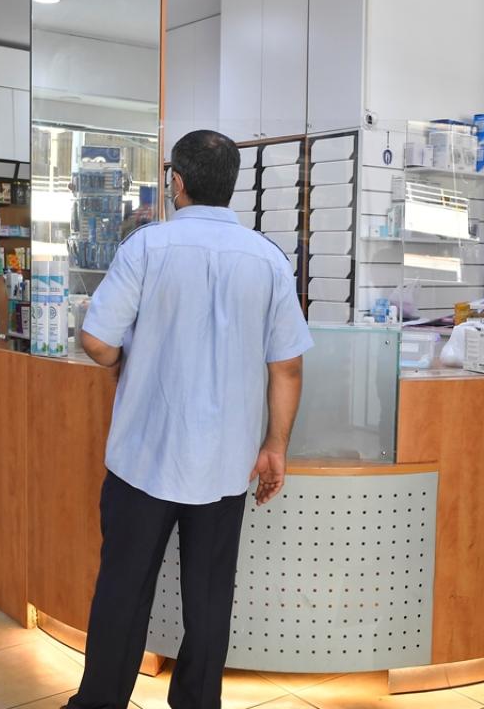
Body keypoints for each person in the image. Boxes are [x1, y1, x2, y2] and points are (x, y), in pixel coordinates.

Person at [67, 130, 312, 709]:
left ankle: (99, 703)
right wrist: (275, 447)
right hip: (225, 466)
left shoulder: (146, 247)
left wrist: (128, 360)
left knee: (123, 592)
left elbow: (97, 341)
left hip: (143, 458)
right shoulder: (268, 260)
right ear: (232, 186)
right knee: (209, 599)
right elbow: (287, 368)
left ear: (176, 182)